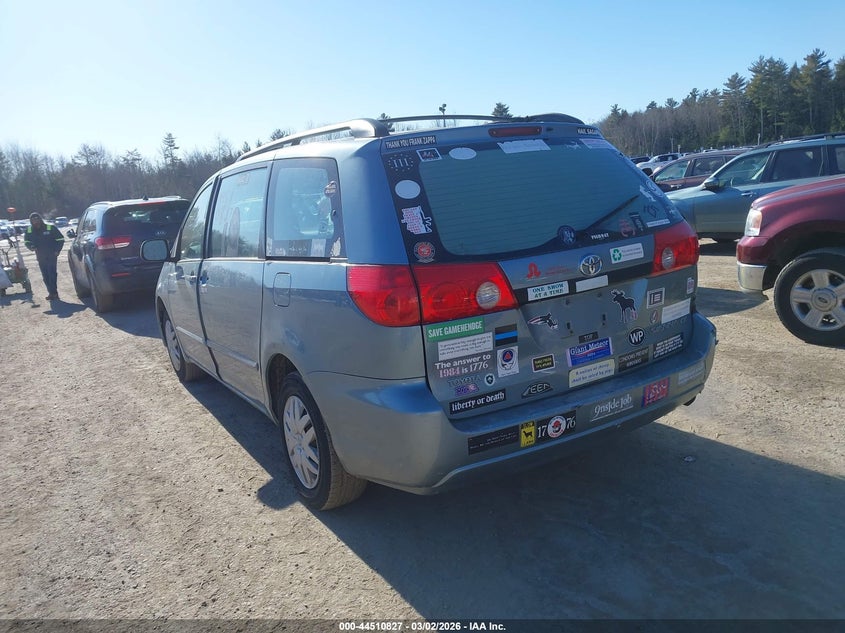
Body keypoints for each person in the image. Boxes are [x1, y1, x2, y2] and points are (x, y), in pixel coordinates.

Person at [24, 212, 65, 300]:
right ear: (31, 221)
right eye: (33, 220)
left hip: (51, 255)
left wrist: (57, 250)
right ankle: (51, 293)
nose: (35, 221)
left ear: (40, 219)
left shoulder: (50, 228)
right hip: (40, 256)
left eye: (37, 219)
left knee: (52, 274)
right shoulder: (29, 230)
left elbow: (60, 239)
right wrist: (31, 246)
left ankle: (54, 293)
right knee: (45, 275)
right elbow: (26, 241)